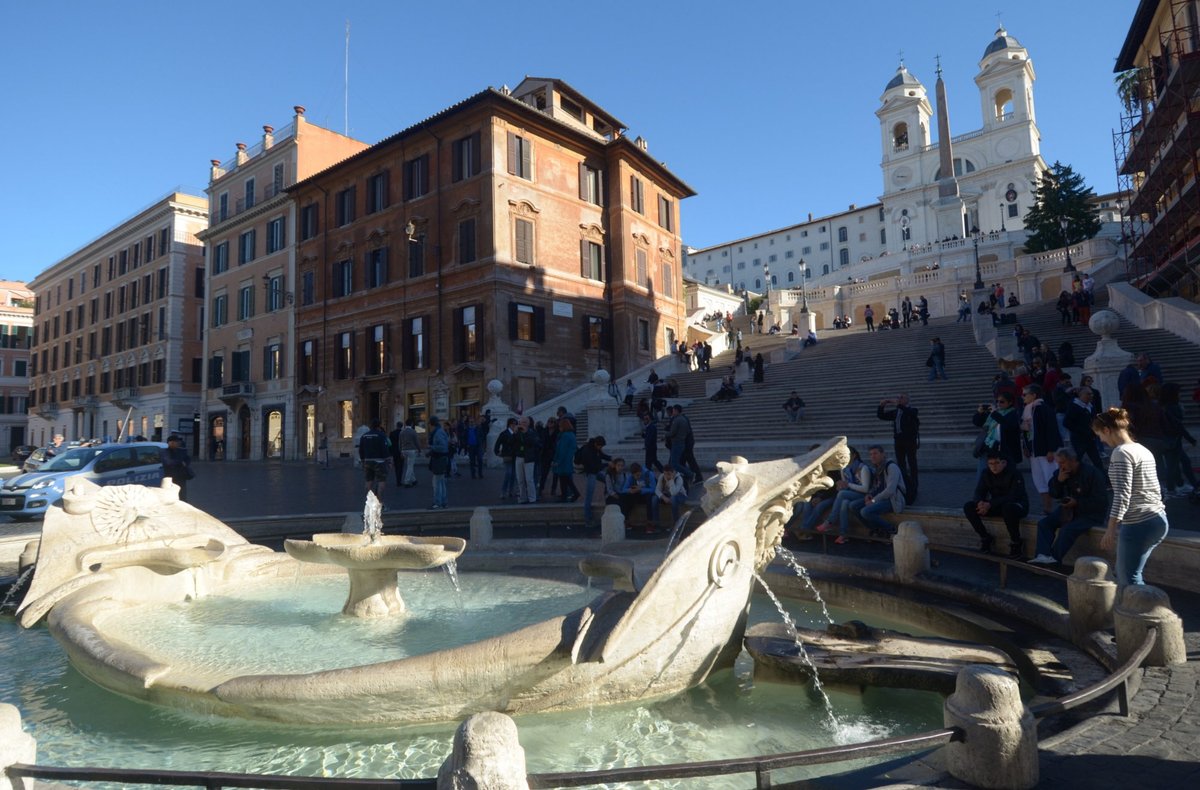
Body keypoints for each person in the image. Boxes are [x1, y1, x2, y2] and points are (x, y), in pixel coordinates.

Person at [1092, 408, 1169, 586]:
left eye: (1099, 435)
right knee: (1129, 573)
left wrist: (1111, 528)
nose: (1101, 441)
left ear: (1106, 430)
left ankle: (1139, 612)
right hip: (1157, 519)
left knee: (1128, 577)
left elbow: (1121, 495)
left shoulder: (1121, 453)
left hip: (1138, 522)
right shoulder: (1141, 449)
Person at [1029, 448, 1108, 566]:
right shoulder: (1060, 472)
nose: (1060, 466)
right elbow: (1054, 494)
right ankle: (1043, 555)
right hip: (1068, 510)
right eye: (1058, 463)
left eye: (1062, 462)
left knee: (1067, 530)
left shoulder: (1092, 474)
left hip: (1090, 514)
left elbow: (1101, 501)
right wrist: (1058, 482)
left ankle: (1054, 559)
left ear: (1073, 461)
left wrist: (1077, 502)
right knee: (1044, 524)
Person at [963, 450, 1030, 557]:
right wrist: (980, 502)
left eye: (997, 463)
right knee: (969, 507)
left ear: (1004, 463)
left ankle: (1016, 542)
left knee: (1008, 508)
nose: (994, 467)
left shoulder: (1015, 474)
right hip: (996, 506)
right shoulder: (986, 473)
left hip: (1017, 506)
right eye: (991, 464)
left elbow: (1013, 496)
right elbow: (979, 492)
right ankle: (985, 537)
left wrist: (990, 504)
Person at [815, 446, 871, 545]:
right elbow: (844, 485)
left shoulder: (863, 468)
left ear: (854, 456)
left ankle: (830, 522)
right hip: (849, 494)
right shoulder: (844, 469)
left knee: (842, 494)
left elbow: (865, 489)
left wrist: (847, 485)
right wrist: (840, 486)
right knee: (844, 502)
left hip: (865, 496)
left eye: (847, 455)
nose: (845, 457)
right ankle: (843, 534)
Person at [848, 445, 906, 538]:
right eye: (870, 454)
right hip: (879, 498)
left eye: (875, 453)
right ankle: (876, 529)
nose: (872, 456)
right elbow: (876, 486)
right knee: (853, 506)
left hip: (892, 499)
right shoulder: (877, 468)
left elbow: (890, 491)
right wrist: (869, 495)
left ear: (883, 454)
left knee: (865, 512)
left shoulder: (891, 467)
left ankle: (891, 529)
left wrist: (874, 500)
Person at [1021, 384, 1062, 513]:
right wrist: (1026, 446)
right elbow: (1027, 432)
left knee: (1051, 478)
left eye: (1025, 394)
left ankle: (1062, 506)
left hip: (1045, 451)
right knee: (1039, 480)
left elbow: (1052, 430)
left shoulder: (1043, 409)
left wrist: (1051, 449)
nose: (1023, 397)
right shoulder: (1027, 410)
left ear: (1034, 395)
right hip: (1034, 451)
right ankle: (1047, 507)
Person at [877, 394, 920, 504]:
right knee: (901, 463)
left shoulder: (912, 410)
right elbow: (881, 416)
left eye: (901, 397)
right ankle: (904, 483)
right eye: (898, 398)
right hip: (899, 441)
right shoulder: (896, 412)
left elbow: (910, 413)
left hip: (910, 441)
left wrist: (898, 404)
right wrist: (881, 406)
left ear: (907, 400)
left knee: (912, 462)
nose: (899, 399)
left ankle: (914, 485)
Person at [577, 435, 611, 528]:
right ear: (596, 444)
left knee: (607, 479)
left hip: (595, 471)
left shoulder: (595, 448)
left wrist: (612, 458)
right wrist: (607, 464)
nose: (601, 448)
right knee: (589, 496)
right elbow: (594, 466)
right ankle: (588, 519)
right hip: (590, 472)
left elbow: (602, 455)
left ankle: (607, 494)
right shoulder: (587, 451)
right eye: (600, 446)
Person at [358, 420, 391, 500]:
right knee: (381, 481)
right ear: (379, 426)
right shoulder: (381, 435)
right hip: (379, 461)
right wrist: (388, 461)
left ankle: (370, 502)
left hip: (367, 461)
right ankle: (379, 503)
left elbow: (360, 449)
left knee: (368, 481)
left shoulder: (364, 436)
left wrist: (362, 460)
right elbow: (385, 449)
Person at [551, 418, 579, 504]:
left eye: (560, 426)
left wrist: (557, 461)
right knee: (565, 478)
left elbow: (561, 450)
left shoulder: (565, 436)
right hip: (568, 459)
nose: (559, 428)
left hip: (564, 460)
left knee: (564, 478)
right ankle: (566, 495)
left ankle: (571, 494)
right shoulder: (571, 435)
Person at [160, 434, 194, 502]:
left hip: (181, 476)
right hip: (170, 477)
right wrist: (180, 462)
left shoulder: (181, 451)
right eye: (175, 442)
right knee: (171, 494)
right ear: (170, 443)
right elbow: (168, 462)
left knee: (182, 495)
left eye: (177, 442)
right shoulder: (165, 452)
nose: (177, 443)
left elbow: (188, 459)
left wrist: (185, 463)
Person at [515, 417, 541, 504]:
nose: (522, 424)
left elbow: (535, 443)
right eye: (521, 422)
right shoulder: (517, 432)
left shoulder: (532, 432)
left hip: (529, 458)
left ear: (528, 423)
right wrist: (514, 432)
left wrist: (526, 433)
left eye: (524, 422)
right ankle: (522, 497)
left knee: (529, 479)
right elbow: (512, 442)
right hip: (519, 457)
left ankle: (532, 498)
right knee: (520, 479)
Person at [427, 416, 450, 509]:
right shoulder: (440, 431)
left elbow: (442, 447)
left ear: (431, 424)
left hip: (439, 460)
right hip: (441, 459)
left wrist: (431, 447)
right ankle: (443, 502)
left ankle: (437, 502)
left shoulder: (437, 433)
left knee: (437, 482)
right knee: (441, 482)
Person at [627, 462, 659, 530]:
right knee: (628, 497)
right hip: (638, 495)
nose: (637, 477)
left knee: (650, 498)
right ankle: (626, 520)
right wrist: (630, 490)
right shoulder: (631, 477)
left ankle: (650, 522)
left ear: (641, 471)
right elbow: (623, 489)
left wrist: (641, 489)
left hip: (649, 495)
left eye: (638, 475)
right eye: (635, 476)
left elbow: (654, 489)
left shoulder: (649, 474)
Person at [494, 418, 519, 500]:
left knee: (513, 474)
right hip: (507, 455)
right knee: (508, 473)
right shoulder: (504, 433)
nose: (514, 426)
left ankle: (511, 490)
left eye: (515, 424)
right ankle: (503, 491)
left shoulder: (517, 433)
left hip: (515, 455)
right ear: (509, 424)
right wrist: (497, 452)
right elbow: (498, 442)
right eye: (513, 424)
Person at [389, 421, 406, 487]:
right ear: (402, 426)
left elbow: (390, 444)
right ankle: (399, 481)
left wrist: (390, 452)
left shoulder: (392, 433)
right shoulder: (403, 433)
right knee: (401, 467)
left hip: (394, 452)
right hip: (401, 451)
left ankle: (397, 480)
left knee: (396, 467)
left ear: (396, 425)